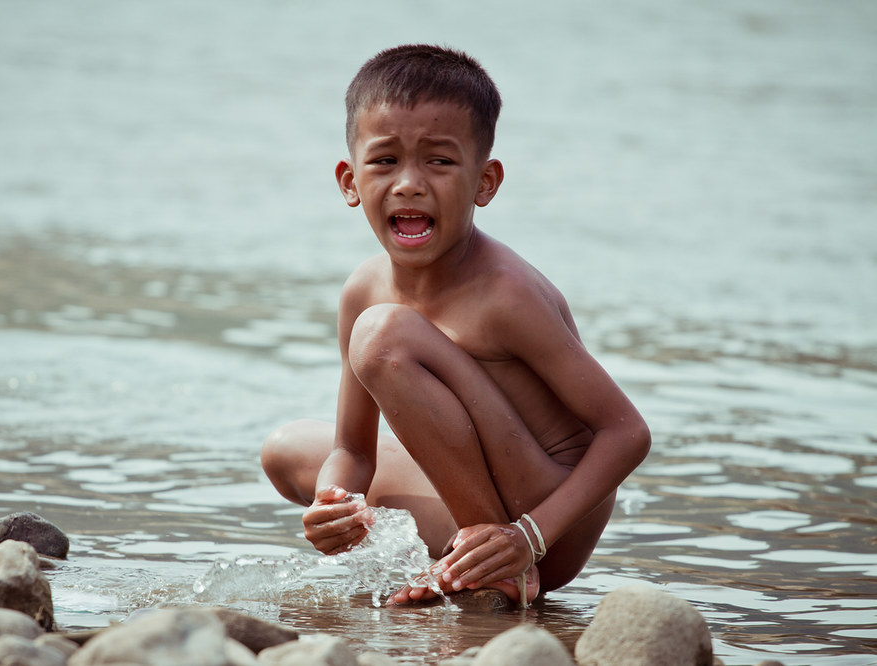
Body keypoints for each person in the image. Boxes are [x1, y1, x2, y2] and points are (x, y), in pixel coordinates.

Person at [261, 44, 650, 606]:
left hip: (549, 520)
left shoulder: (505, 294)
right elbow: (353, 450)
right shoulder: (364, 290)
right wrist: (334, 505)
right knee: (287, 449)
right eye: (385, 160)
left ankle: (495, 567)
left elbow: (627, 433)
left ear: (485, 182)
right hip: (470, 493)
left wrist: (528, 535)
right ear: (349, 181)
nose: (410, 183)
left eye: (439, 161)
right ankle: (464, 558)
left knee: (383, 336)